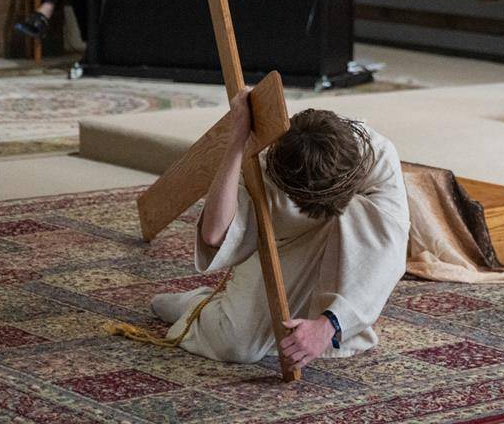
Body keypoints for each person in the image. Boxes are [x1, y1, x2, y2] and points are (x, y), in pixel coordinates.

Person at [148, 91, 410, 368]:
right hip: (280, 245)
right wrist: (237, 140)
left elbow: (388, 252)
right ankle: (196, 306)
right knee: (236, 345)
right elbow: (214, 235)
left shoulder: (377, 156)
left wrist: (328, 324)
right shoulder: (265, 161)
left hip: (344, 249)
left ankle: (332, 320)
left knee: (364, 218)